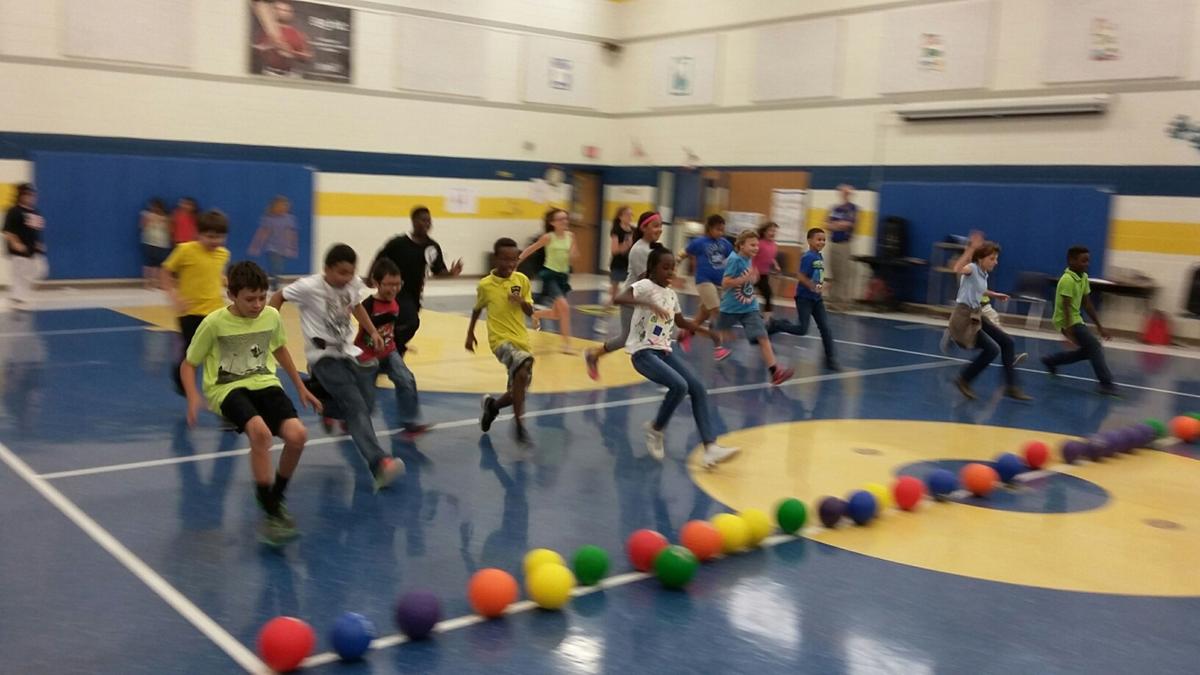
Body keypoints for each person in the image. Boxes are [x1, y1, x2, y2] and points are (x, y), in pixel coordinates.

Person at [181, 260, 319, 546]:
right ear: (232, 295)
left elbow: (280, 349)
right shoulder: (214, 323)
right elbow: (188, 363)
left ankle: (274, 497)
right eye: (249, 299)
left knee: (298, 435)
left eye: (261, 297)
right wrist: (193, 396)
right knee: (261, 433)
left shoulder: (270, 316)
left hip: (265, 382)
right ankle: (270, 510)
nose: (257, 304)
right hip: (226, 389)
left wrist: (300, 387)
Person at [271, 244, 404, 491]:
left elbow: (356, 306)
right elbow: (279, 296)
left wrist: (373, 331)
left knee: (365, 403)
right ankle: (379, 464)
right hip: (323, 356)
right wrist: (269, 325)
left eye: (350, 273)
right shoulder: (310, 286)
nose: (346, 278)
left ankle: (324, 404)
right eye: (341, 273)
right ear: (327, 269)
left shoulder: (351, 284)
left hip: (347, 351)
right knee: (355, 404)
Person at [618, 246, 740, 468]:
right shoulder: (645, 286)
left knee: (698, 388)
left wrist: (709, 332)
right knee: (679, 385)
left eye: (672, 268)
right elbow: (620, 298)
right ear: (652, 268)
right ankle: (655, 429)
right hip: (642, 352)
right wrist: (650, 304)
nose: (670, 272)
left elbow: (682, 323)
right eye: (665, 267)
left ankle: (710, 448)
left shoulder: (671, 295)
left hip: (664, 352)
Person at [945, 232, 1031, 401]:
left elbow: (978, 290)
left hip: (976, 315)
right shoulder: (972, 268)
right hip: (963, 319)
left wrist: (994, 294)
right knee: (992, 349)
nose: (996, 262)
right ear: (981, 258)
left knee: (1007, 342)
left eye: (996, 258)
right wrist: (971, 249)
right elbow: (956, 269)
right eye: (992, 258)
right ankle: (964, 379)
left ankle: (1010, 386)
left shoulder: (983, 273)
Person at [467, 238, 535, 445]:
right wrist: (469, 334)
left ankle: (492, 407)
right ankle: (519, 425)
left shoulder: (521, 280)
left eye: (513, 260)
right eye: (505, 259)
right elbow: (477, 308)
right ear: (495, 259)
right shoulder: (485, 285)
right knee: (523, 367)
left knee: (518, 390)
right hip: (500, 341)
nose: (509, 264)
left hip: (521, 340)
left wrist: (521, 301)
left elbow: (531, 311)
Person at [584, 211, 665, 380]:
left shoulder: (651, 248)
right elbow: (646, 279)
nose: (660, 229)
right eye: (655, 225)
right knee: (627, 338)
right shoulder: (640, 250)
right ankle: (593, 355)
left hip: (644, 299)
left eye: (661, 226)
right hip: (633, 298)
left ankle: (665, 371)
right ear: (643, 228)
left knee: (656, 334)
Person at [353, 257, 428, 438]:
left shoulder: (395, 303)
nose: (394, 289)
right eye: (388, 284)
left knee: (406, 380)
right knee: (368, 401)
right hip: (367, 356)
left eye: (397, 284)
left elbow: (390, 329)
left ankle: (409, 422)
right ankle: (351, 418)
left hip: (389, 352)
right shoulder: (368, 305)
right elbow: (362, 327)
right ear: (376, 283)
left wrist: (402, 345)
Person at [162, 209, 231, 395]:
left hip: (216, 311)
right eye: (209, 237)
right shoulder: (185, 250)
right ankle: (180, 376)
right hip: (190, 313)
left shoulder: (223, 254)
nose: (214, 242)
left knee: (220, 352)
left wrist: (226, 283)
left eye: (219, 237)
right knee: (192, 353)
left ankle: (222, 391)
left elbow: (217, 273)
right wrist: (173, 296)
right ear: (198, 234)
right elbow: (166, 271)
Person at [717, 230, 794, 385]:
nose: (756, 248)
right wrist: (743, 279)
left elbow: (748, 282)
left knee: (763, 337)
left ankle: (775, 372)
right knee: (718, 333)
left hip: (749, 307)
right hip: (731, 308)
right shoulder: (735, 260)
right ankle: (714, 346)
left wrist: (753, 279)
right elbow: (725, 283)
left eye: (757, 245)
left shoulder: (749, 259)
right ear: (741, 245)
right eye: (752, 245)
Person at [1042, 246, 1117, 396]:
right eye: (1083, 261)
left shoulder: (1083, 277)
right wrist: (1069, 334)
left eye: (1088, 261)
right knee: (1095, 346)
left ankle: (1051, 360)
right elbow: (1067, 308)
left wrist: (1100, 327)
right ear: (1071, 260)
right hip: (1065, 321)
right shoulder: (1067, 280)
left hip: (1076, 319)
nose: (1087, 264)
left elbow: (1087, 304)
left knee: (1088, 351)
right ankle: (1106, 384)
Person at [766, 228, 839, 371]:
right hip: (804, 299)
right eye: (818, 239)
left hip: (817, 300)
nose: (822, 242)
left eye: (824, 239)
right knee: (801, 329)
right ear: (810, 241)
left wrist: (821, 286)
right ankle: (777, 325)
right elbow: (800, 276)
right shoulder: (808, 257)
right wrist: (812, 286)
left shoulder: (819, 257)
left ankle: (830, 359)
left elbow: (817, 276)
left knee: (826, 328)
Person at [372, 205, 464, 311]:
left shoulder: (432, 247)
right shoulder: (398, 243)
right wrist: (371, 278)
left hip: (414, 295)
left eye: (429, 221)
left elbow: (438, 270)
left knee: (410, 322)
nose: (427, 224)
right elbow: (378, 259)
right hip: (393, 293)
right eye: (423, 220)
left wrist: (451, 273)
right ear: (414, 221)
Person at [518, 208, 579, 354]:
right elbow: (530, 249)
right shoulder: (548, 237)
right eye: (561, 219)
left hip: (563, 277)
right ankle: (567, 345)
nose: (565, 221)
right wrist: (516, 261)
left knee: (557, 314)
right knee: (564, 308)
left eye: (566, 218)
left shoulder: (571, 236)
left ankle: (536, 314)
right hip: (550, 276)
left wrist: (573, 254)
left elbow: (574, 254)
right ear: (552, 223)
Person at [680, 214, 733, 361]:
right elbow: (684, 253)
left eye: (723, 230)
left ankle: (684, 335)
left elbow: (733, 258)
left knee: (701, 317)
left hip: (718, 284)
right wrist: (676, 262)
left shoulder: (724, 243)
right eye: (717, 229)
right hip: (704, 281)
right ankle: (718, 348)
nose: (720, 233)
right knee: (717, 311)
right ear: (709, 228)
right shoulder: (700, 242)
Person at [3, 183, 47, 310]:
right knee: (19, 274)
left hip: (33, 249)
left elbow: (35, 231)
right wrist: (15, 243)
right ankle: (18, 299)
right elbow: (8, 231)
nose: (31, 198)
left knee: (40, 270)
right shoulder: (14, 211)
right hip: (19, 250)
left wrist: (39, 244)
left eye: (33, 195)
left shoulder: (35, 212)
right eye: (28, 195)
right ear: (21, 196)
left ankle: (18, 295)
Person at [248, 195, 298, 291]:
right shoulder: (269, 219)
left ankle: (273, 280)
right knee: (276, 266)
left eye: (285, 206)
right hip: (272, 248)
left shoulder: (289, 219)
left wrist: (292, 247)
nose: (282, 208)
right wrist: (256, 246)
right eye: (280, 206)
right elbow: (263, 233)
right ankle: (274, 284)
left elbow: (291, 234)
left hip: (283, 248)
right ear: (274, 207)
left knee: (279, 268)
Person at [252, 1, 313, 77]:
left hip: (289, 75)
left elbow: (307, 56)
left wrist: (291, 52)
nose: (282, 12)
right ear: (273, 11)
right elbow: (256, 49)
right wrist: (269, 47)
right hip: (269, 73)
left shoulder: (298, 34)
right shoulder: (263, 30)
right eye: (279, 9)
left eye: (286, 10)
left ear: (291, 13)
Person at [824, 184, 858, 309]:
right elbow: (826, 224)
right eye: (842, 192)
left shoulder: (852, 208)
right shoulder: (835, 208)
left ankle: (843, 302)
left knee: (843, 273)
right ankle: (833, 299)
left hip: (844, 244)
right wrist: (836, 225)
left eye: (847, 192)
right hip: (833, 243)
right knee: (834, 272)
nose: (844, 194)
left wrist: (835, 225)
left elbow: (848, 224)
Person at [139, 198, 172, 290]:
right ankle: (147, 283)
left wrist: (164, 221)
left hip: (162, 243)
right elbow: (142, 226)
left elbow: (169, 230)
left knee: (160, 264)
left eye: (155, 206)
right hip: (150, 242)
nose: (153, 208)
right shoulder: (146, 215)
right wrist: (150, 220)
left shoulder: (166, 217)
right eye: (152, 206)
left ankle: (157, 282)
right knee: (150, 263)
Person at [752, 221, 782, 320]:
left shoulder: (773, 245)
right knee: (745, 296)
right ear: (764, 232)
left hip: (764, 275)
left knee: (768, 295)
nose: (773, 233)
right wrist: (753, 270)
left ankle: (767, 319)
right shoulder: (759, 243)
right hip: (753, 274)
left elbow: (770, 257)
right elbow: (752, 257)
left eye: (774, 231)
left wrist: (776, 265)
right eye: (770, 231)